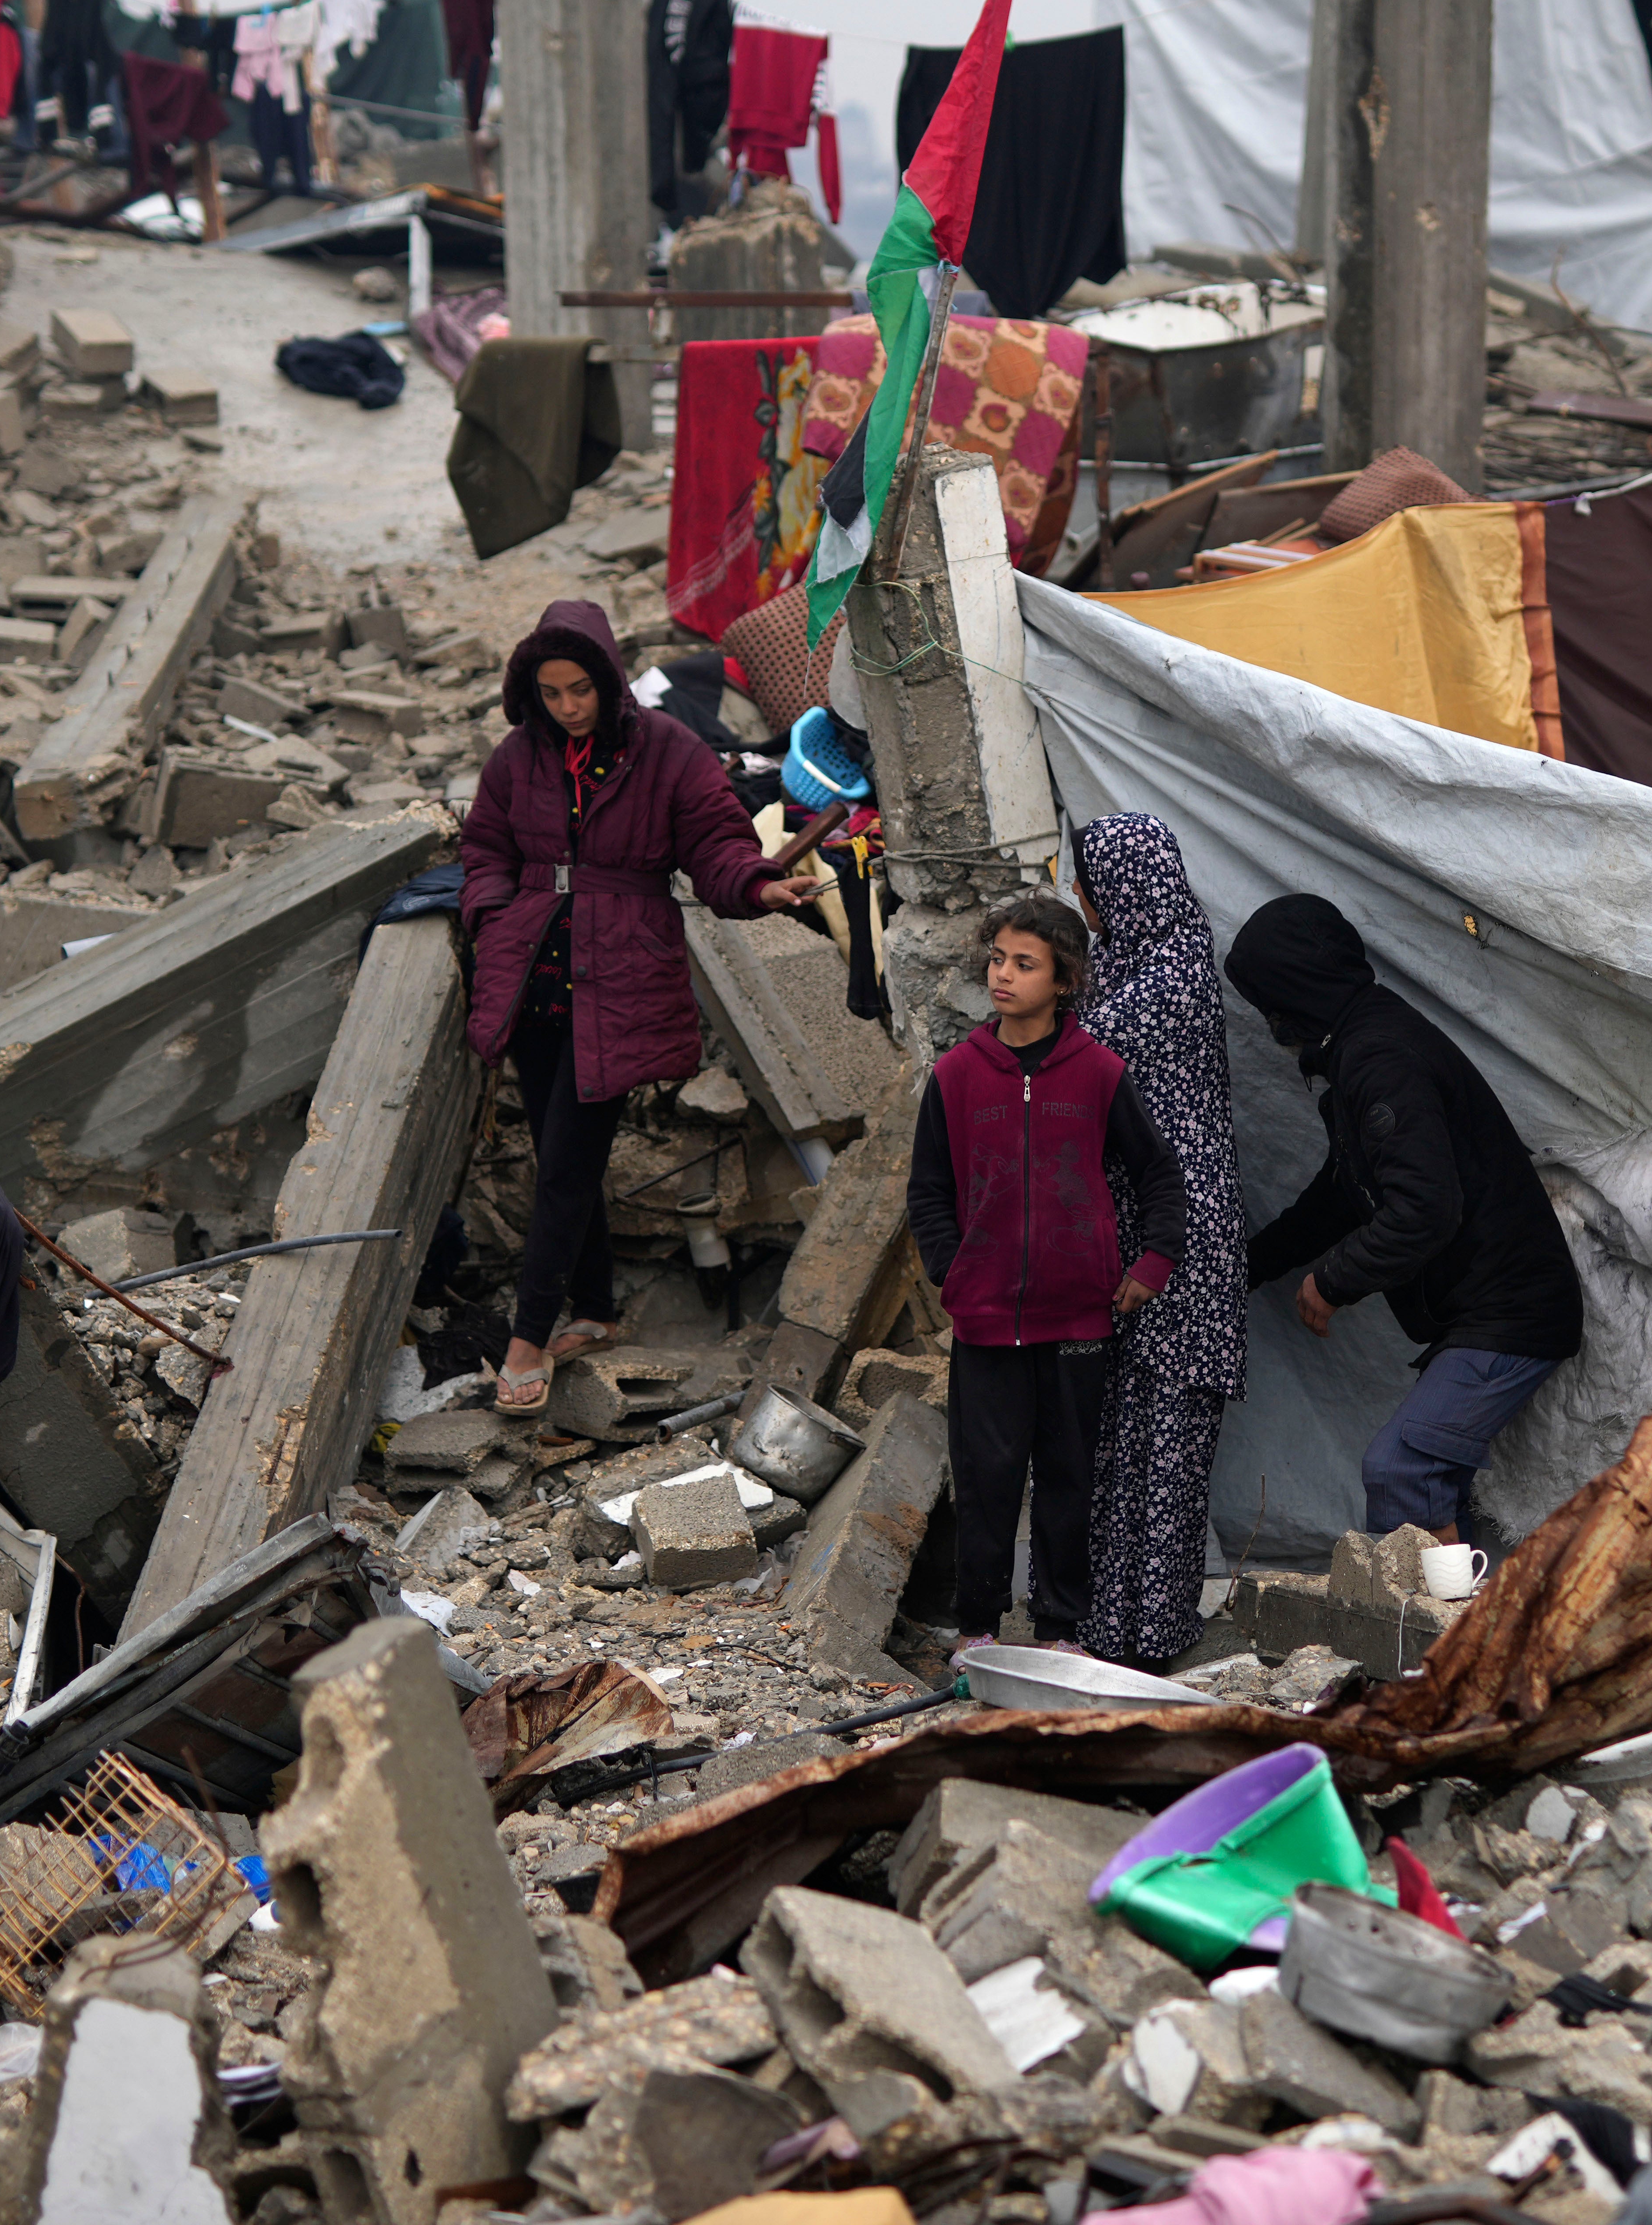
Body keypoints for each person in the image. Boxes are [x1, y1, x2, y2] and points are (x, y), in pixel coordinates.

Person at [460, 599, 818, 1412]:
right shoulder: (517, 759)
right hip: (534, 976)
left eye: (580, 689)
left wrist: (760, 884)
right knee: (562, 1158)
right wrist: (492, 913)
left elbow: (718, 847)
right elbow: (484, 847)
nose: (567, 708)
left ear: (610, 679)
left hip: (619, 980)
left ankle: (528, 1340)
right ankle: (592, 1311)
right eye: (550, 694)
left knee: (572, 1160)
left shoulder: (670, 753)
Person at [1223, 892, 1582, 1542]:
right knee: (1430, 1486)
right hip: (1493, 1308)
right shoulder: (1361, 1045)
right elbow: (1345, 1191)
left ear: (1294, 990)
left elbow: (1425, 1209)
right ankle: (1462, 1635)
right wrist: (1243, 1269)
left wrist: (1333, 1281)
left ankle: (1417, 1642)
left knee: (1401, 1472)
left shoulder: (1380, 1059)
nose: (1270, 1021)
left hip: (1511, 1310)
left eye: (1269, 1000)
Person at [905, 896, 1188, 1650]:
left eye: (1024, 964)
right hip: (987, 1319)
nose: (1003, 974)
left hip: (1080, 1320)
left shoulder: (1098, 1072)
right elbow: (928, 1190)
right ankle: (976, 1630)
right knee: (987, 1480)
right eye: (997, 957)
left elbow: (1159, 1174)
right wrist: (952, 1273)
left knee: (1069, 1483)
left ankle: (1061, 1629)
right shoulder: (959, 1075)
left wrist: (1153, 1262)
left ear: (1065, 981)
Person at [1070, 814, 1248, 1666]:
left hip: (1185, 1238)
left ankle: (1152, 1637)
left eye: (1090, 885)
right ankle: (1117, 1628)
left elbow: (1065, 1057)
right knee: (1127, 1432)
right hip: (1140, 1225)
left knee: (1166, 1439)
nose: (1080, 899)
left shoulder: (1170, 978)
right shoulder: (1129, 961)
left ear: (1123, 892)